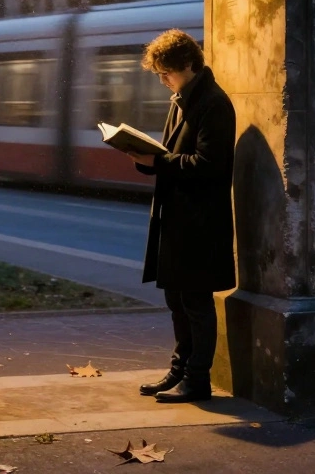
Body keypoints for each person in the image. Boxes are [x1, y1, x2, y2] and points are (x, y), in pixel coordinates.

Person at [124, 29, 236, 404]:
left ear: (188, 64)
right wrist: (147, 160)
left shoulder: (213, 104)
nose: (162, 80)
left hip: (200, 222)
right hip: (177, 218)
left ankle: (197, 380)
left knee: (196, 302)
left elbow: (210, 165)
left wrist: (158, 161)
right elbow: (171, 155)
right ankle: (178, 371)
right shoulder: (182, 99)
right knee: (177, 299)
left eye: (166, 72)